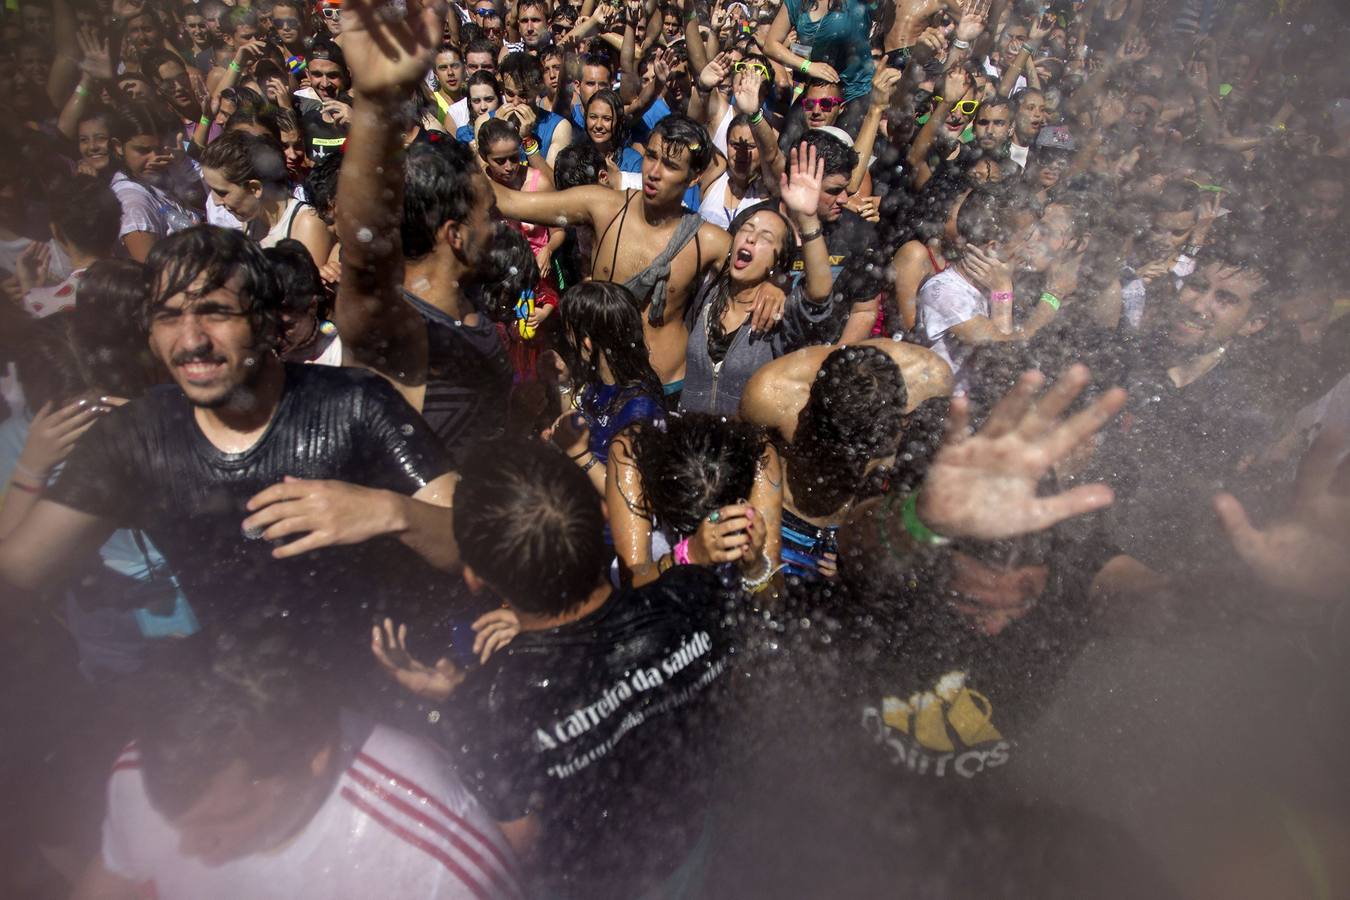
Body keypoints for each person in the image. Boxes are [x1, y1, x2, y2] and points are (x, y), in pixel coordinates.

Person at [0, 226, 462, 662]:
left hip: (372, 680)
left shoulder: (355, 404)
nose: (192, 340)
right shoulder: (134, 437)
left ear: (264, 321)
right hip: (247, 692)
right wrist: (29, 471)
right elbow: (18, 574)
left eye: (216, 312)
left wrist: (388, 512)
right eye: (168, 317)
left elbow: (473, 542)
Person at [372, 437, 756, 898]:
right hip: (701, 844)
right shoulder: (693, 596)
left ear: (474, 578)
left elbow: (516, 852)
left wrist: (457, 700)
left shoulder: (488, 708)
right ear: (602, 515)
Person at [71, 642, 520, 899]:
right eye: (174, 820)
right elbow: (115, 875)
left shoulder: (436, 862)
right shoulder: (142, 774)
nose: (192, 848)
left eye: (226, 819)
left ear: (314, 758)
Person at [333, 5, 513, 464]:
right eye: (488, 214)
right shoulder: (397, 324)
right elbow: (359, 242)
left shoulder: (466, 300)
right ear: (454, 234)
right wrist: (374, 101)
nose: (497, 226)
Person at [490, 114, 737, 395]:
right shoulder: (602, 206)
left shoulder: (709, 240)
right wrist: (458, 163)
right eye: (651, 156)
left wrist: (771, 288)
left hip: (667, 386)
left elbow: (760, 279)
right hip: (604, 376)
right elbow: (510, 202)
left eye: (670, 165)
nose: (654, 172)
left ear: (694, 177)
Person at [740, 340, 952, 579]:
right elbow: (750, 464)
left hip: (862, 532)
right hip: (785, 525)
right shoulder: (771, 393)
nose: (847, 461)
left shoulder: (930, 379)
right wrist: (765, 554)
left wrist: (866, 552)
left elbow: (922, 486)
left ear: (902, 416)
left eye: (870, 451)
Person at [679, 148, 838, 416]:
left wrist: (808, 219)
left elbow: (819, 295)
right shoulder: (705, 293)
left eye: (766, 237)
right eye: (747, 230)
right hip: (690, 436)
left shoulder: (777, 312)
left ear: (778, 261)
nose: (751, 238)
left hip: (747, 439)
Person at [607, 412, 784, 588]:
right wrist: (687, 554)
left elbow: (774, 594)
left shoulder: (758, 456)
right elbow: (631, 581)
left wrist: (755, 568)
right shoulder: (633, 452)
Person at [553, 281, 667, 491]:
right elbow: (575, 428)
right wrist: (562, 384)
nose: (567, 339)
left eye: (569, 331)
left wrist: (580, 455)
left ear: (587, 342)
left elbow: (629, 493)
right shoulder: (601, 380)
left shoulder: (639, 410)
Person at [200, 131, 333, 266]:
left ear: (255, 189)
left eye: (222, 192)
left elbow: (308, 279)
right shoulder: (252, 220)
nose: (216, 202)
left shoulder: (306, 223)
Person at [108, 103, 203, 262]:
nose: (155, 158)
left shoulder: (163, 174)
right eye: (143, 150)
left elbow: (203, 201)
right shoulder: (132, 203)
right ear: (118, 147)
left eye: (159, 148)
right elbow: (151, 269)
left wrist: (183, 164)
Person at [262, 239, 343, 366]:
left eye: (286, 326)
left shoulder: (339, 352)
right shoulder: (253, 351)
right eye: (266, 324)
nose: (275, 336)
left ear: (312, 306)